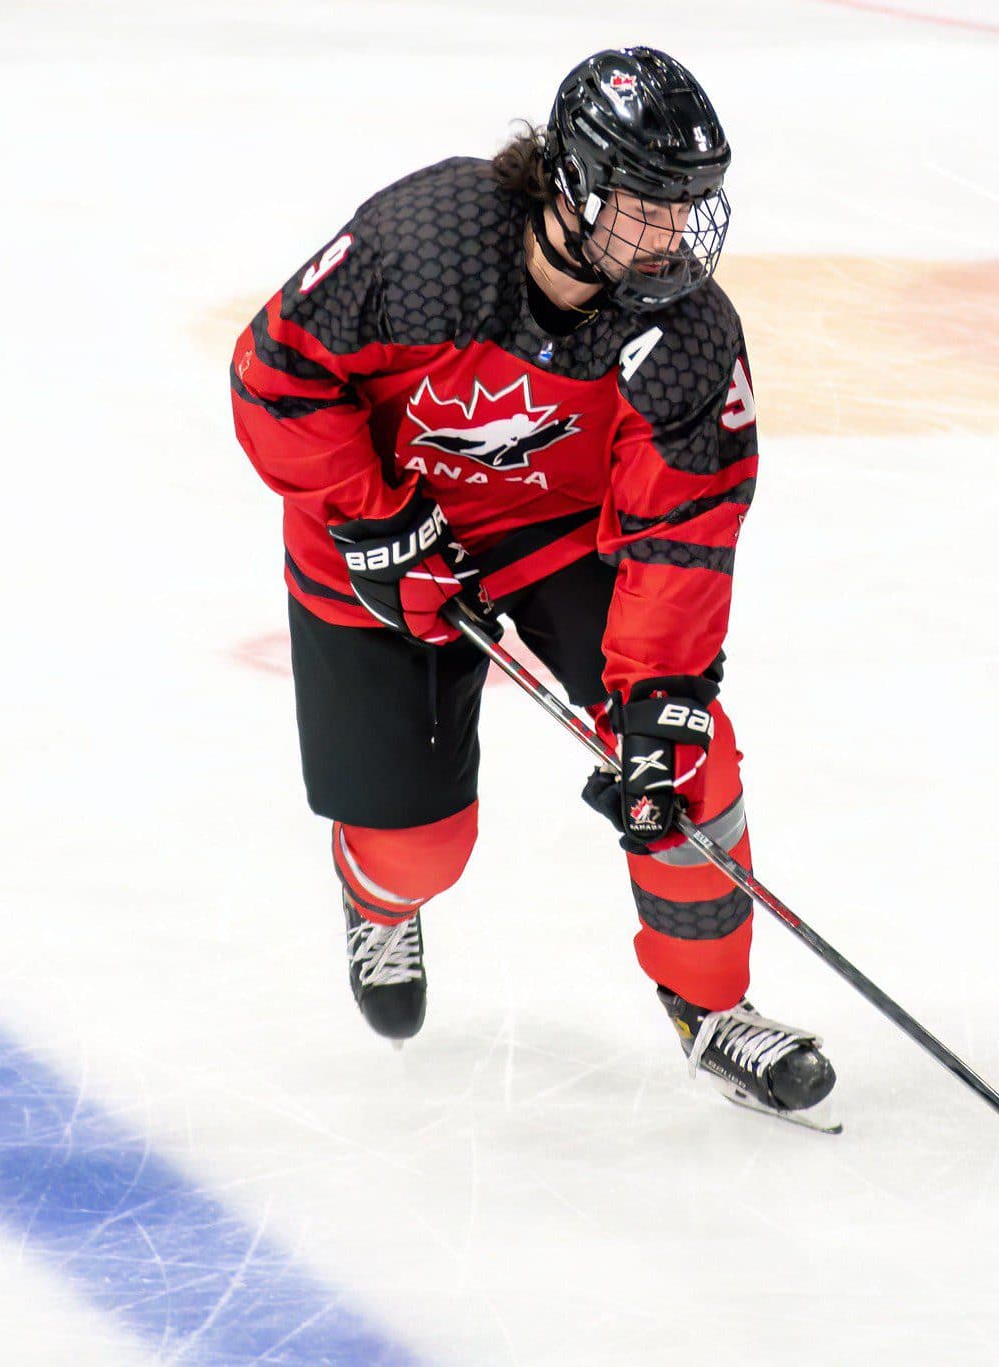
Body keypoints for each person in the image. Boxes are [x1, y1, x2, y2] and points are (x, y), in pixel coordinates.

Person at [229, 47, 834, 1121]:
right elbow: (276, 378)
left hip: (561, 532)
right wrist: (373, 522)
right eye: (646, 206)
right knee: (420, 849)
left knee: (684, 755)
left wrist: (659, 698)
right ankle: (378, 897)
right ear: (570, 183)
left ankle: (711, 1008)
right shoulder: (428, 241)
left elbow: (685, 524)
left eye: (687, 207)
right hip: (379, 527)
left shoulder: (686, 329)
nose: (671, 235)